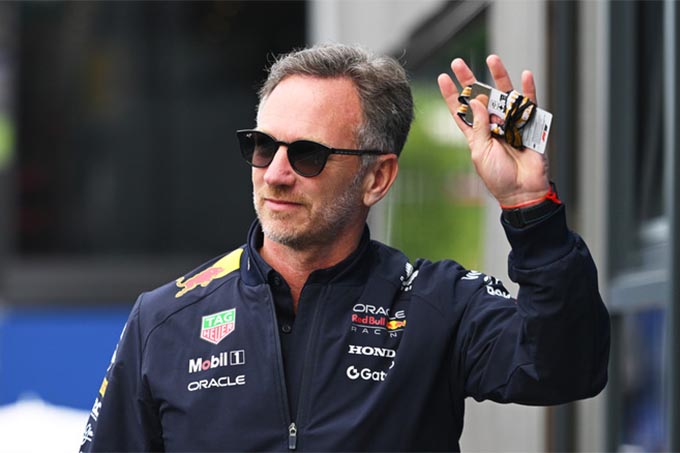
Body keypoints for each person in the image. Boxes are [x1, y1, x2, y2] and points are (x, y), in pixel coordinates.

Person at [80, 43, 609, 452]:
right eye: (262, 147)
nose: (276, 174)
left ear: (377, 178)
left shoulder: (439, 304)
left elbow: (566, 367)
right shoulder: (163, 320)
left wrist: (528, 206)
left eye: (307, 154)